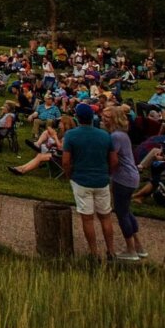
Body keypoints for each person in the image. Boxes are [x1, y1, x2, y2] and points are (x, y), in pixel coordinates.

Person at [62, 103, 117, 260]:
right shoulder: (105, 135)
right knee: (105, 216)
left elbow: (66, 161)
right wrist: (108, 173)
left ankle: (94, 253)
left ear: (78, 118)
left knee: (87, 218)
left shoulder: (71, 135)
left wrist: (69, 175)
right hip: (102, 180)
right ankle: (111, 250)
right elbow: (114, 160)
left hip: (81, 180)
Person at [103, 105, 147, 260]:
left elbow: (113, 160)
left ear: (114, 119)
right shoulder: (122, 134)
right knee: (127, 211)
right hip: (131, 176)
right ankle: (138, 246)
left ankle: (130, 250)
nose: (103, 118)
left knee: (121, 213)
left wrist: (107, 173)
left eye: (107, 116)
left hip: (123, 177)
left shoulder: (115, 136)